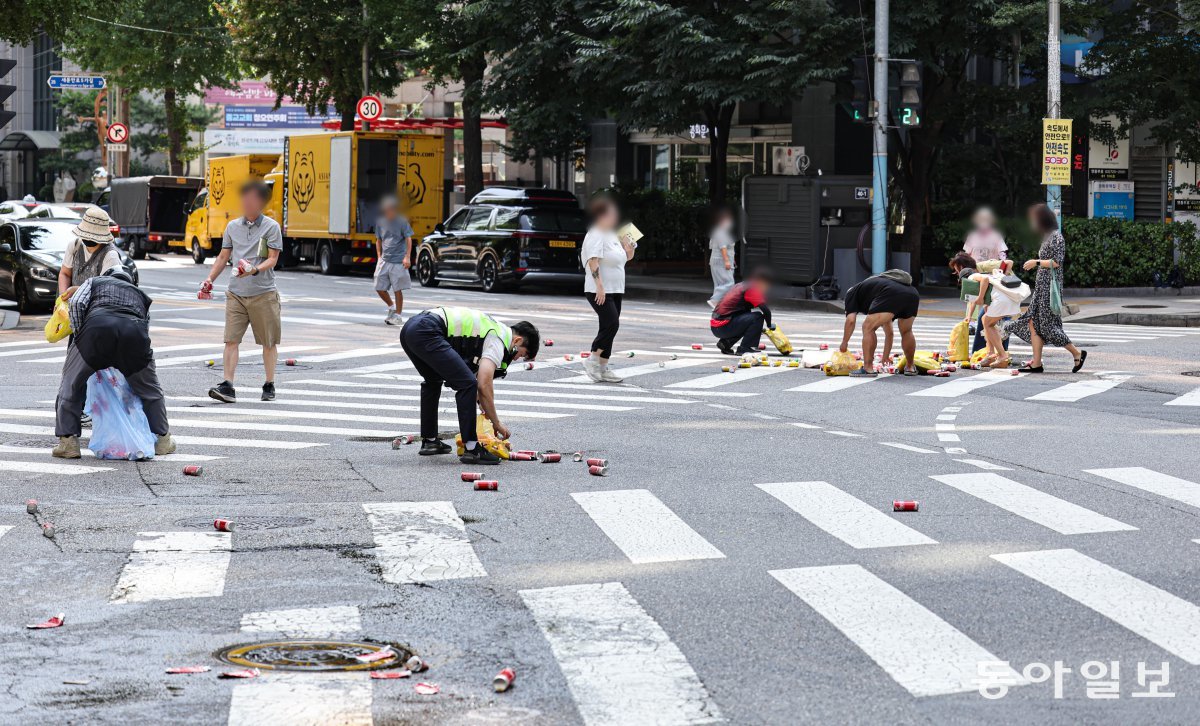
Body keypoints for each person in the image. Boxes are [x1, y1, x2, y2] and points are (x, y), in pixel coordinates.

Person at [52, 267, 174, 459]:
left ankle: (68, 442)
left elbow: (76, 302)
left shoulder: (94, 282)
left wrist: (79, 333)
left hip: (96, 331)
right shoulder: (141, 295)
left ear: (107, 276)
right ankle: (163, 440)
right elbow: (145, 326)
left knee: (71, 384)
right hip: (133, 334)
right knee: (151, 390)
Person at [399, 307, 540, 465]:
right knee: (467, 385)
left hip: (411, 329)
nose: (515, 359)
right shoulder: (499, 339)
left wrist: (484, 407)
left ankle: (430, 440)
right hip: (427, 330)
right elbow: (483, 383)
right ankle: (472, 449)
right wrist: (496, 422)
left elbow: (475, 378)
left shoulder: (494, 329)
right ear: (517, 341)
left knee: (433, 381)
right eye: (521, 354)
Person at [201, 181, 283, 403]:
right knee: (231, 340)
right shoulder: (232, 227)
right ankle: (227, 385)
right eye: (245, 199)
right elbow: (223, 256)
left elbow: (272, 259)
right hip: (236, 292)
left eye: (252, 199)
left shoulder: (271, 227)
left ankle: (269, 384)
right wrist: (209, 280)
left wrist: (255, 269)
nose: (247, 203)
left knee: (268, 342)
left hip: (263, 292)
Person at [1004, 204, 1087, 373]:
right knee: (1033, 322)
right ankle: (1036, 363)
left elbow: (1056, 262)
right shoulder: (1047, 236)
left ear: (1042, 219)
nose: (1032, 222)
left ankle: (1077, 353)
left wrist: (1036, 262)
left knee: (1048, 326)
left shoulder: (1056, 237)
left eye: (1034, 219)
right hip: (1042, 287)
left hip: (1050, 288)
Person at [581, 196, 635, 383]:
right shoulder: (596, 233)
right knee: (612, 323)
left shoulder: (613, 234)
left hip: (616, 288)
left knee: (609, 326)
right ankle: (593, 359)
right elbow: (593, 260)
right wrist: (600, 288)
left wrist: (629, 247)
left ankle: (603, 368)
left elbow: (625, 258)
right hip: (599, 289)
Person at [840, 270, 920, 376]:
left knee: (867, 327)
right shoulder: (876, 293)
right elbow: (889, 333)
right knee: (906, 331)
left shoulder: (851, 293)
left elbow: (850, 321)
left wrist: (844, 343)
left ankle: (868, 368)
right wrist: (885, 356)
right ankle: (910, 367)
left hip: (891, 292)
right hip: (912, 293)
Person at [959, 258, 1027, 368]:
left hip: (1003, 300)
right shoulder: (979, 281)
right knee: (985, 320)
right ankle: (990, 354)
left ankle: (1002, 356)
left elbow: (984, 280)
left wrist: (981, 298)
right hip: (1009, 300)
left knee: (987, 322)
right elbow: (973, 301)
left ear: (965, 278)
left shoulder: (972, 277)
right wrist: (969, 316)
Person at [961, 208, 1007, 354]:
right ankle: (974, 326)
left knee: (988, 308)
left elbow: (1002, 254)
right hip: (976, 274)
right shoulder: (972, 236)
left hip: (991, 276)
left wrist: (1002, 269)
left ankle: (990, 347)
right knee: (974, 303)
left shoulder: (996, 236)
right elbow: (966, 255)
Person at [710, 268, 774, 355]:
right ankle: (745, 348)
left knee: (748, 317)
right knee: (757, 317)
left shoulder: (742, 285)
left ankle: (725, 343)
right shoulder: (752, 289)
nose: (767, 289)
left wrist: (758, 329)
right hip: (723, 326)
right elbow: (766, 310)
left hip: (717, 326)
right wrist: (770, 326)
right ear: (762, 281)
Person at [58, 207, 121, 294]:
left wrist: (78, 291)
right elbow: (65, 274)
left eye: (92, 236)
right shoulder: (74, 245)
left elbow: (107, 290)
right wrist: (63, 297)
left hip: (96, 306)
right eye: (86, 235)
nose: (88, 238)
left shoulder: (110, 256)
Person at [373, 195, 414, 325]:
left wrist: (407, 256)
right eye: (387, 209)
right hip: (384, 260)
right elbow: (378, 240)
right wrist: (379, 257)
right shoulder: (381, 222)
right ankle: (391, 307)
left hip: (398, 261)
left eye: (391, 209)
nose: (389, 211)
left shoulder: (402, 222)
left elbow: (408, 239)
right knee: (379, 287)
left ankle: (398, 315)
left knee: (398, 289)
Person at [707, 206, 737, 308]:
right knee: (729, 283)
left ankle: (719, 307)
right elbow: (722, 247)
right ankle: (715, 300)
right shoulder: (721, 232)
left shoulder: (718, 231)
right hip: (721, 261)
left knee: (720, 284)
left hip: (718, 261)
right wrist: (727, 261)